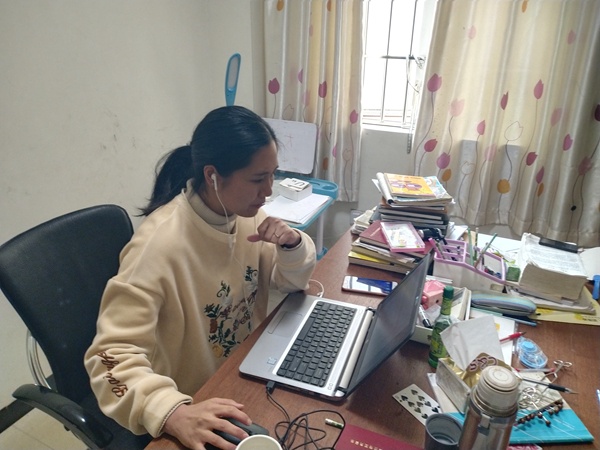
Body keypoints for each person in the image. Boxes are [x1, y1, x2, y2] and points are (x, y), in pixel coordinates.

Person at [84, 106, 317, 450]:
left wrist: (292, 245)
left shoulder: (246, 215)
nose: (268, 191)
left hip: (242, 372)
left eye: (273, 175)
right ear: (213, 176)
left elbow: (290, 282)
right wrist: (171, 412)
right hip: (192, 402)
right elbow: (109, 357)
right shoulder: (158, 246)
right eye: (257, 179)